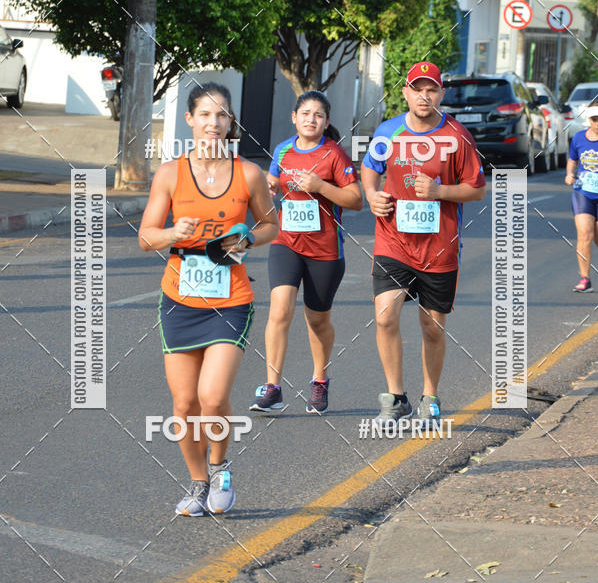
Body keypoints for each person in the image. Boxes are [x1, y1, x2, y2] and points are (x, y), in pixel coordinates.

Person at [139, 83, 278, 516]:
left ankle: (220, 468)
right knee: (184, 404)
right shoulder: (169, 173)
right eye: (205, 114)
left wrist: (248, 239)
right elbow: (146, 237)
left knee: (212, 398)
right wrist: (172, 234)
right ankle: (198, 484)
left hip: (230, 297)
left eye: (221, 116)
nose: (213, 123)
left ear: (230, 122)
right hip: (179, 297)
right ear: (190, 120)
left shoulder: (248, 174)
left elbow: (272, 226)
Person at [361, 61, 486, 426]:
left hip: (440, 245)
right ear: (406, 93)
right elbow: (370, 167)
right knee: (385, 315)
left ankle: (429, 396)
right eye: (417, 88)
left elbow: (476, 190)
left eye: (431, 89)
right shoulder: (389, 131)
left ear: (441, 94)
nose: (424, 96)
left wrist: (439, 191)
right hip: (393, 239)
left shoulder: (457, 136)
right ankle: (395, 397)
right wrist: (371, 194)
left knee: (432, 326)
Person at [250, 90, 363, 415]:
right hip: (286, 243)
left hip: (325, 250)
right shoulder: (283, 149)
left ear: (326, 122)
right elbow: (273, 181)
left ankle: (320, 380)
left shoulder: (334, 154)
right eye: (305, 113)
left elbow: (355, 200)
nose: (311, 119)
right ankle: (272, 388)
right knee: (279, 311)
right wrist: (269, 187)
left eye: (318, 115)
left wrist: (321, 187)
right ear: (294, 117)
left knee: (317, 320)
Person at [565, 104, 598, 292]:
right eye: (595, 120)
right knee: (585, 233)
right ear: (589, 120)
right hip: (583, 192)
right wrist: (569, 174)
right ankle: (585, 279)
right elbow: (572, 160)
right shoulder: (579, 138)